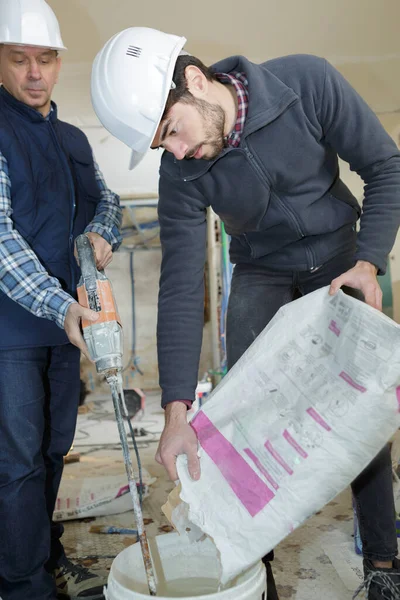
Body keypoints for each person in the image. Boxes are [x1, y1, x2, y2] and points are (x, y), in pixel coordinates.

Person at [91, 26, 400, 600]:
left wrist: (368, 262)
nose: (176, 152)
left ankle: (384, 563)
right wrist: (177, 406)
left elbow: (387, 166)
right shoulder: (180, 172)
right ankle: (258, 571)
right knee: (250, 416)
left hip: (339, 259)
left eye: (172, 132)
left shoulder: (305, 83)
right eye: (164, 147)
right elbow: (181, 285)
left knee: (356, 410)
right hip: (260, 271)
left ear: (193, 81)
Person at [0, 1, 122, 599]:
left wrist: (104, 231)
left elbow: (110, 201)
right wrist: (60, 305)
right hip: (11, 333)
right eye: (18, 59)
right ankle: (20, 585)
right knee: (17, 462)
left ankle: (40, 558)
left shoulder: (72, 138)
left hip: (62, 331)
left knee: (52, 450)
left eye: (44, 60)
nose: (33, 73)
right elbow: (0, 238)